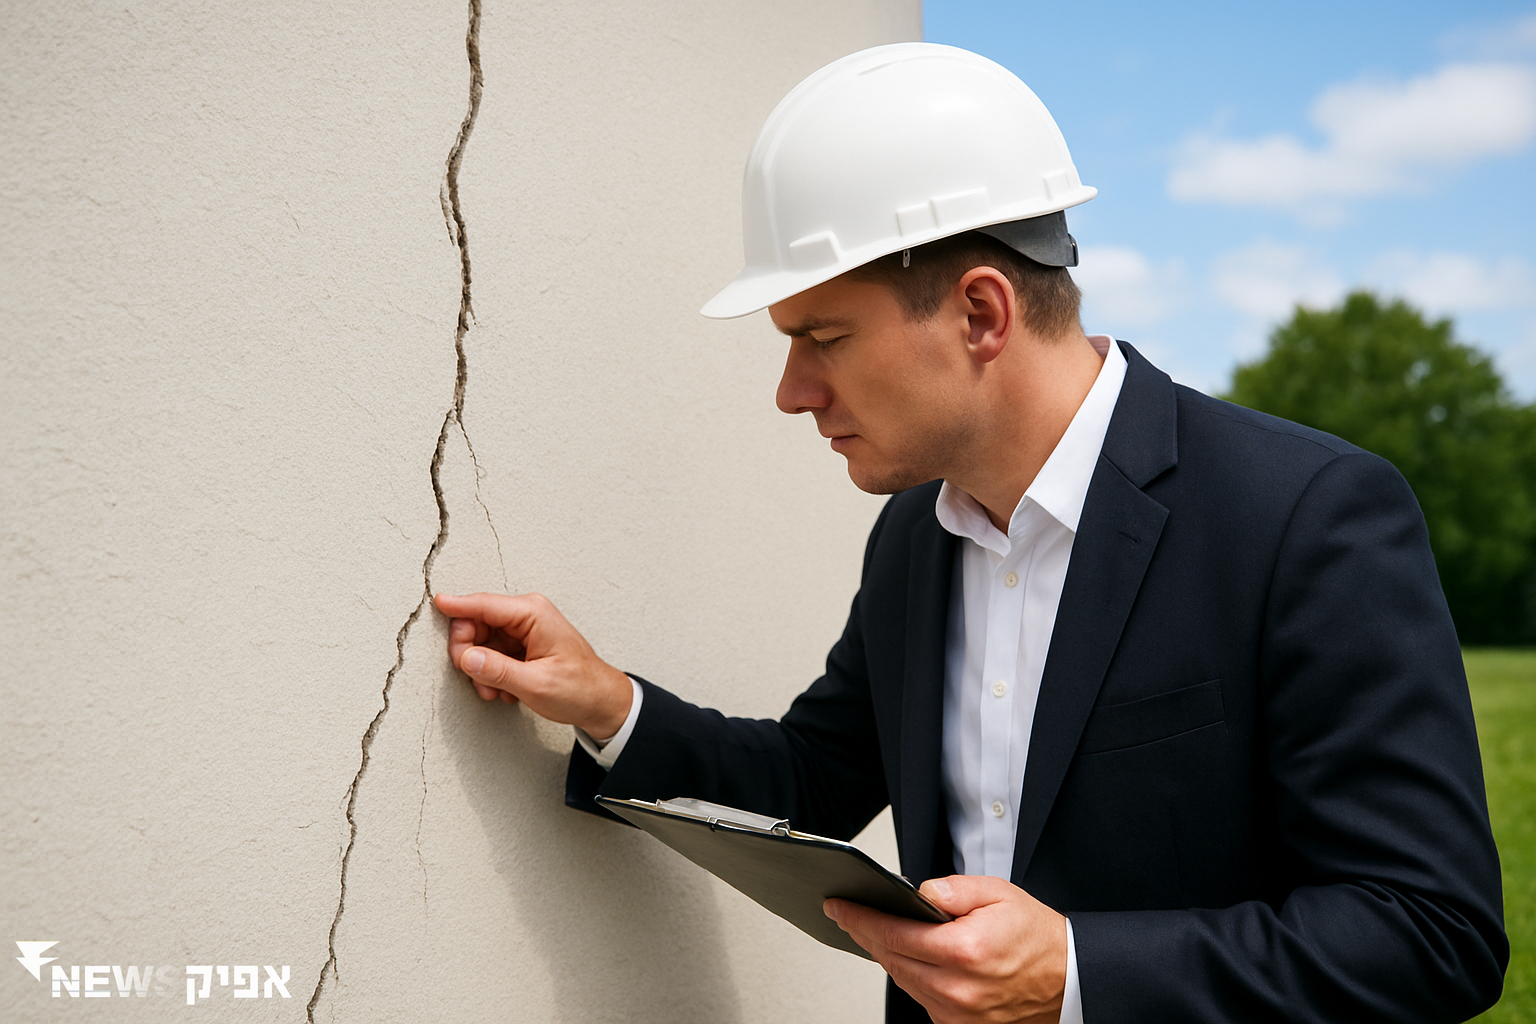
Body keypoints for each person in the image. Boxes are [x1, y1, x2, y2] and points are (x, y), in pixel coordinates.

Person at [433, 43, 1507, 1024]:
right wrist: (607, 702)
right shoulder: (916, 536)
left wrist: (1078, 971)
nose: (791, 391)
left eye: (823, 337)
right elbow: (815, 780)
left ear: (983, 314)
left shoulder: (1307, 516)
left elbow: (1429, 932)